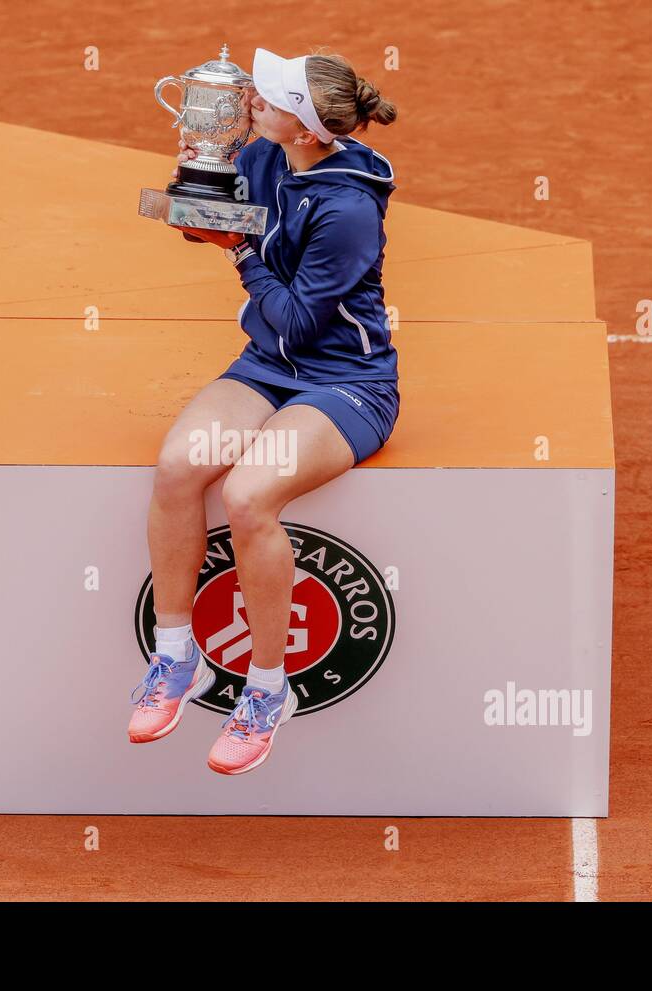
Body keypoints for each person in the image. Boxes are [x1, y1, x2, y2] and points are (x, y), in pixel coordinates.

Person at [128, 46, 399, 775]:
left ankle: (267, 691)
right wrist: (199, 173)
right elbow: (203, 223)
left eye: (267, 99)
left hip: (344, 382)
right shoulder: (270, 156)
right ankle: (177, 657)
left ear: (305, 128)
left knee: (249, 496)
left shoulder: (346, 210)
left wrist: (242, 254)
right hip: (268, 369)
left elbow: (294, 323)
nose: (251, 100)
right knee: (178, 468)